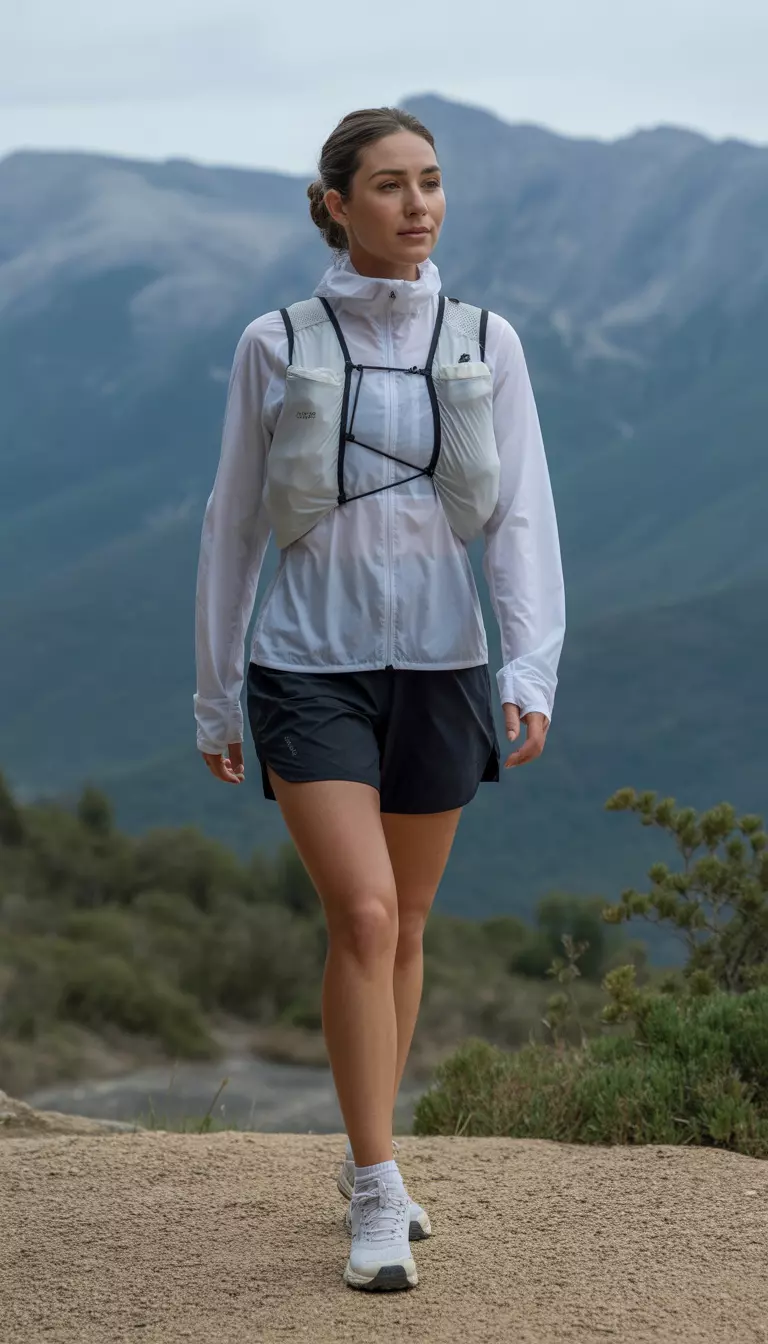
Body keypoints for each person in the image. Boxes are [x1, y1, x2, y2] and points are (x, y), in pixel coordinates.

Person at [193, 105, 565, 1292]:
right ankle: (374, 1184)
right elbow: (233, 525)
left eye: (434, 183)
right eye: (393, 186)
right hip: (308, 662)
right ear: (336, 203)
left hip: (447, 665)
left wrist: (529, 662)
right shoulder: (277, 342)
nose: (419, 206)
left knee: (405, 925)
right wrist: (215, 695)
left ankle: (376, 1156)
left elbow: (520, 516)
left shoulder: (484, 339)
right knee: (359, 914)